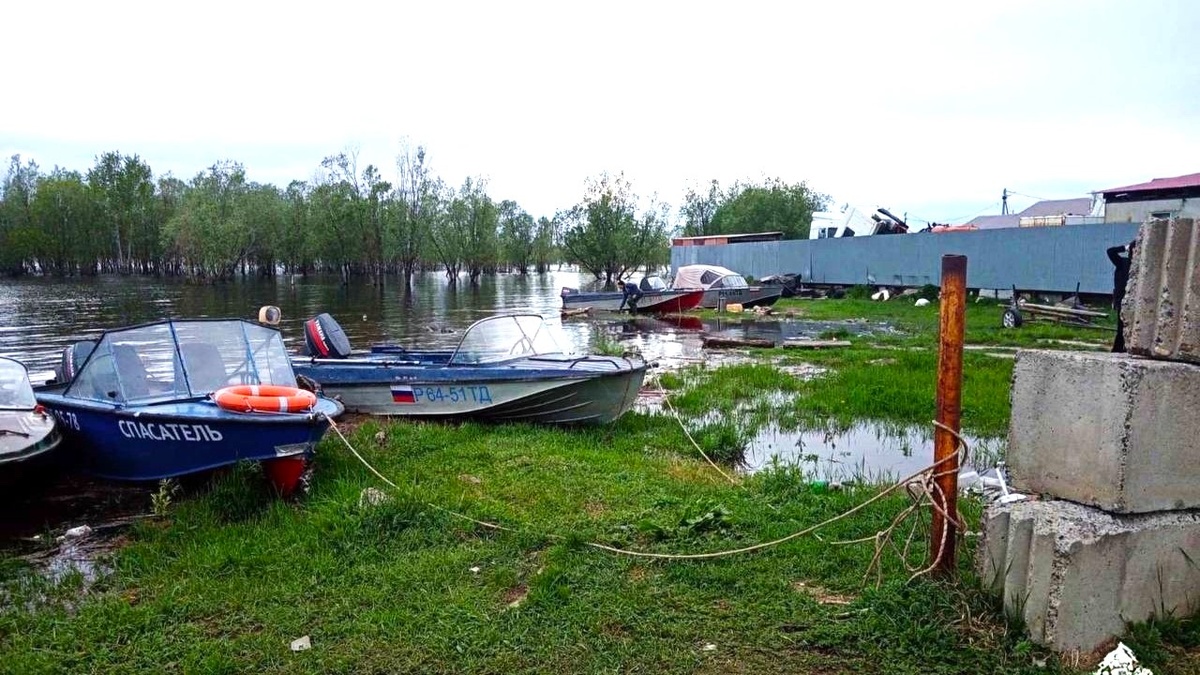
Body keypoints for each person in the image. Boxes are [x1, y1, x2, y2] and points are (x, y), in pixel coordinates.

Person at [1107, 240, 1135, 353]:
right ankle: (1118, 349)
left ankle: (1125, 348)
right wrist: (1125, 247)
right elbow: (1110, 251)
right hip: (1122, 300)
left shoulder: (1141, 266)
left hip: (1134, 301)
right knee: (1121, 327)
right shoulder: (1122, 262)